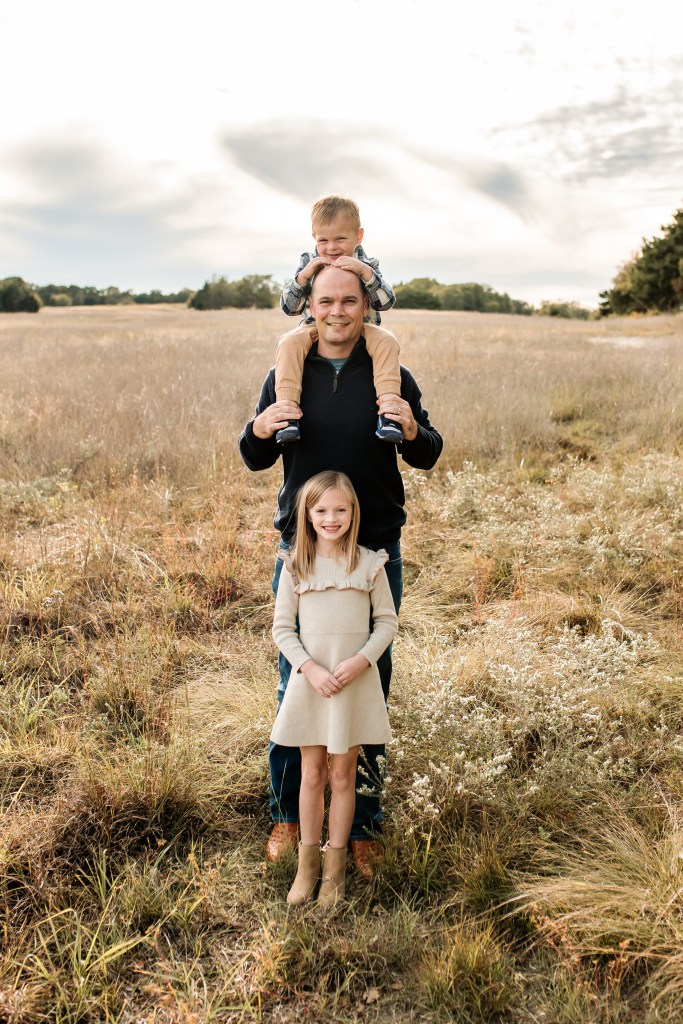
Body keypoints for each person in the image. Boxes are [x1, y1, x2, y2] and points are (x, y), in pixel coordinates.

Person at [238, 264, 443, 877]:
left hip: (374, 547)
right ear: (312, 304)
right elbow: (254, 455)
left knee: (370, 683)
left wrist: (411, 428)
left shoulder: (389, 371)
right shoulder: (287, 370)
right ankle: (289, 814)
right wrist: (259, 427)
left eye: (348, 301)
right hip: (303, 551)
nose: (337, 311)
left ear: (365, 305)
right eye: (326, 300)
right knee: (294, 681)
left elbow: (428, 451)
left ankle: (364, 827)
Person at [271, 470, 398, 906]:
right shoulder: (296, 566)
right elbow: (282, 629)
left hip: (351, 683)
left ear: (353, 512)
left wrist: (361, 661)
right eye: (321, 510)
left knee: (343, 774)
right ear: (307, 514)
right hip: (314, 684)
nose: (331, 518)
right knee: (312, 774)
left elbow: (387, 622)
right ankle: (306, 868)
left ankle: (334, 870)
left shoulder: (370, 564)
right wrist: (309, 669)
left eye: (340, 509)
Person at [275, 195, 403, 446]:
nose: (332, 247)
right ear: (314, 237)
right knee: (289, 342)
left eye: (340, 239)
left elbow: (385, 302)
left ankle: (389, 414)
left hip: (361, 327)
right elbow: (289, 308)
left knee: (386, 340)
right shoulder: (308, 262)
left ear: (358, 236)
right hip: (315, 327)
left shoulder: (367, 263)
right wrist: (303, 278)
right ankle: (287, 414)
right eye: (323, 240)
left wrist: (365, 273)